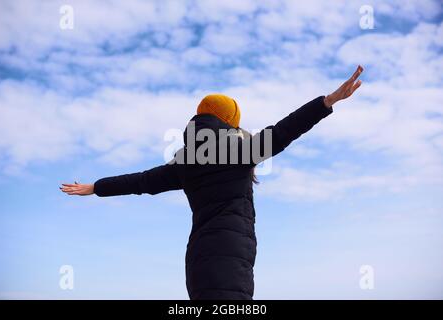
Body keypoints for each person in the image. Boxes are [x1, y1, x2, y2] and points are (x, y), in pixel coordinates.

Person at [60, 65, 364, 300]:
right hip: (232, 260)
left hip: (199, 262)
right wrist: (327, 102)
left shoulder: (185, 162)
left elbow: (140, 181)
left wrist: (96, 187)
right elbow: (285, 130)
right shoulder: (241, 151)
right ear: (231, 121)